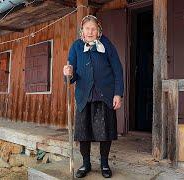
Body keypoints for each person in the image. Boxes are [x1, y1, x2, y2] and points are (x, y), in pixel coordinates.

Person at [63, 15, 124, 178]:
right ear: (82, 31)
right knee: (84, 133)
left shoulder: (107, 45)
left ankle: (104, 164)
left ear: (98, 31)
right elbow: (71, 75)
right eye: (87, 28)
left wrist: (118, 93)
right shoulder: (76, 47)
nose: (90, 31)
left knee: (105, 132)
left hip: (105, 95)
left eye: (93, 28)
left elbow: (118, 69)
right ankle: (86, 164)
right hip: (84, 96)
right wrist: (68, 73)